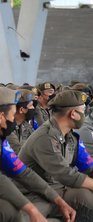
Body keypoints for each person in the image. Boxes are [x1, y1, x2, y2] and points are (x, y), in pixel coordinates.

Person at [18, 90, 93, 221]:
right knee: (88, 199)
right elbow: (66, 175)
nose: (85, 115)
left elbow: (92, 168)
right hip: (34, 193)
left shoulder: (70, 136)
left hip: (56, 187)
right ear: (73, 114)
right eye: (82, 111)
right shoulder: (45, 138)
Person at [0, 87, 76, 222]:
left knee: (47, 203)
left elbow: (23, 172)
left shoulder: (2, 142)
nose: (14, 117)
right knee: (9, 211)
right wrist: (31, 209)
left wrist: (58, 200)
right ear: (1, 117)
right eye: (12, 114)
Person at [6, 89, 36, 154]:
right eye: (31, 105)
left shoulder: (25, 124)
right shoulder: (7, 128)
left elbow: (37, 142)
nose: (33, 108)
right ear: (21, 110)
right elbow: (19, 152)